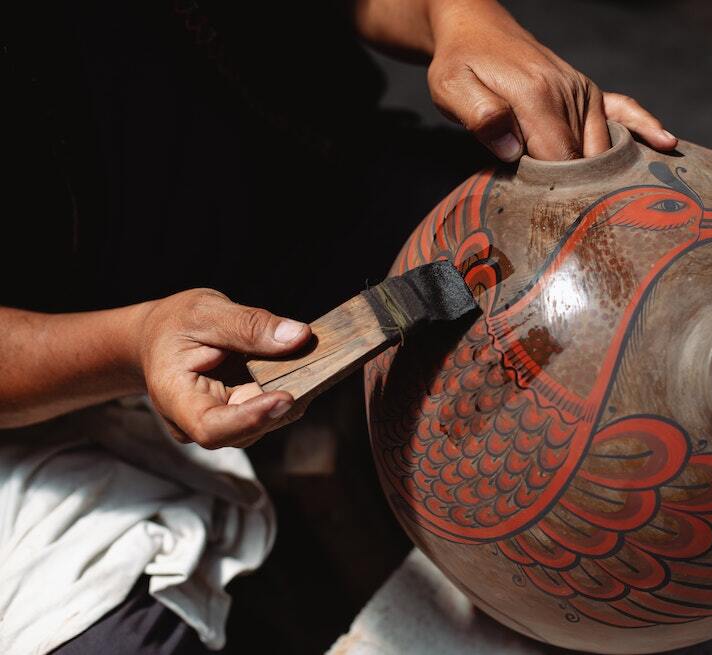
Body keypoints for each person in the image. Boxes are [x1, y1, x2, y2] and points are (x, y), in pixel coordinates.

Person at [0, 0, 675, 652]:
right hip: (81, 341)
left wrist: (462, 17)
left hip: (324, 179)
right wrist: (132, 344)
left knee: (627, 251)